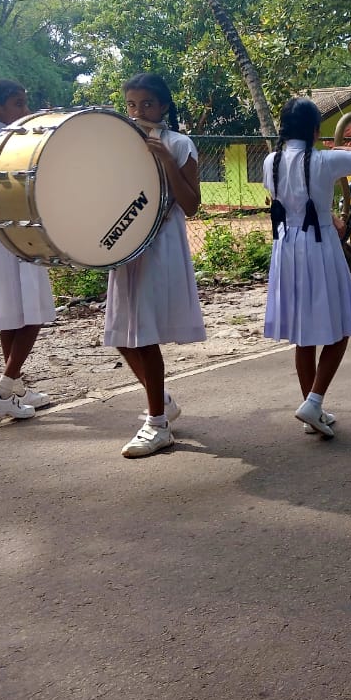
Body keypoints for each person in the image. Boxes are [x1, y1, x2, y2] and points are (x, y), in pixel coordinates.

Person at [264, 97, 351, 439]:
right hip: (318, 248)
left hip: (286, 248)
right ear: (316, 129)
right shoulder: (323, 159)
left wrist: (327, 212)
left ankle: (311, 407)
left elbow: (292, 203)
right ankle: (314, 402)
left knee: (304, 336)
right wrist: (339, 148)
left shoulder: (271, 161)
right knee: (340, 328)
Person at [110, 73, 206, 458]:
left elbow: (192, 204)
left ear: (164, 106)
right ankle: (161, 402)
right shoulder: (120, 144)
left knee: (144, 335)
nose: (138, 112)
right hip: (124, 246)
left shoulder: (180, 144)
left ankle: (158, 424)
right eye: (131, 105)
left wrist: (166, 161)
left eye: (146, 104)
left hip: (160, 244)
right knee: (120, 335)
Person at [0, 79, 57, 419]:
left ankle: (15, 385)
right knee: (32, 314)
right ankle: (4, 390)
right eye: (18, 103)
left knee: (11, 315)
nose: (25, 111)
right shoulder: (9, 141)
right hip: (17, 233)